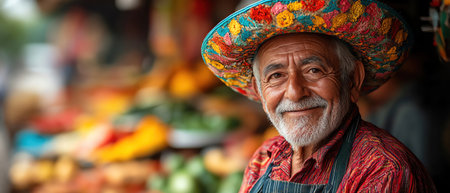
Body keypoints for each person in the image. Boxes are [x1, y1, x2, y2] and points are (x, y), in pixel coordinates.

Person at [201, 0, 436, 192]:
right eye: (276, 75)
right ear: (261, 92)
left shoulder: (383, 169)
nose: (294, 92)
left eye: (314, 71)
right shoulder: (265, 158)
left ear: (353, 80)